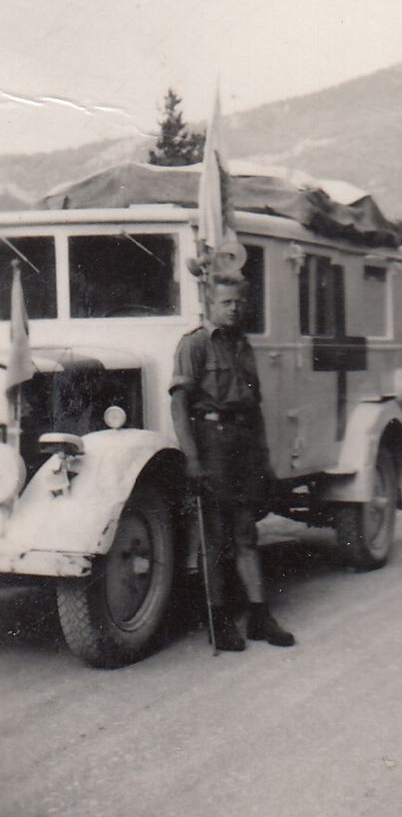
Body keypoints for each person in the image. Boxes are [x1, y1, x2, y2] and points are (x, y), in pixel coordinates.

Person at [170, 276, 294, 652]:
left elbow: (254, 408)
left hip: (244, 444)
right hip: (212, 443)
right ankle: (219, 618)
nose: (234, 308)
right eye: (226, 302)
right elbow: (179, 404)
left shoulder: (243, 345)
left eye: (239, 302)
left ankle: (259, 615)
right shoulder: (194, 344)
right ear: (210, 304)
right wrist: (192, 458)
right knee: (215, 537)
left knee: (246, 532)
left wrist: (264, 459)